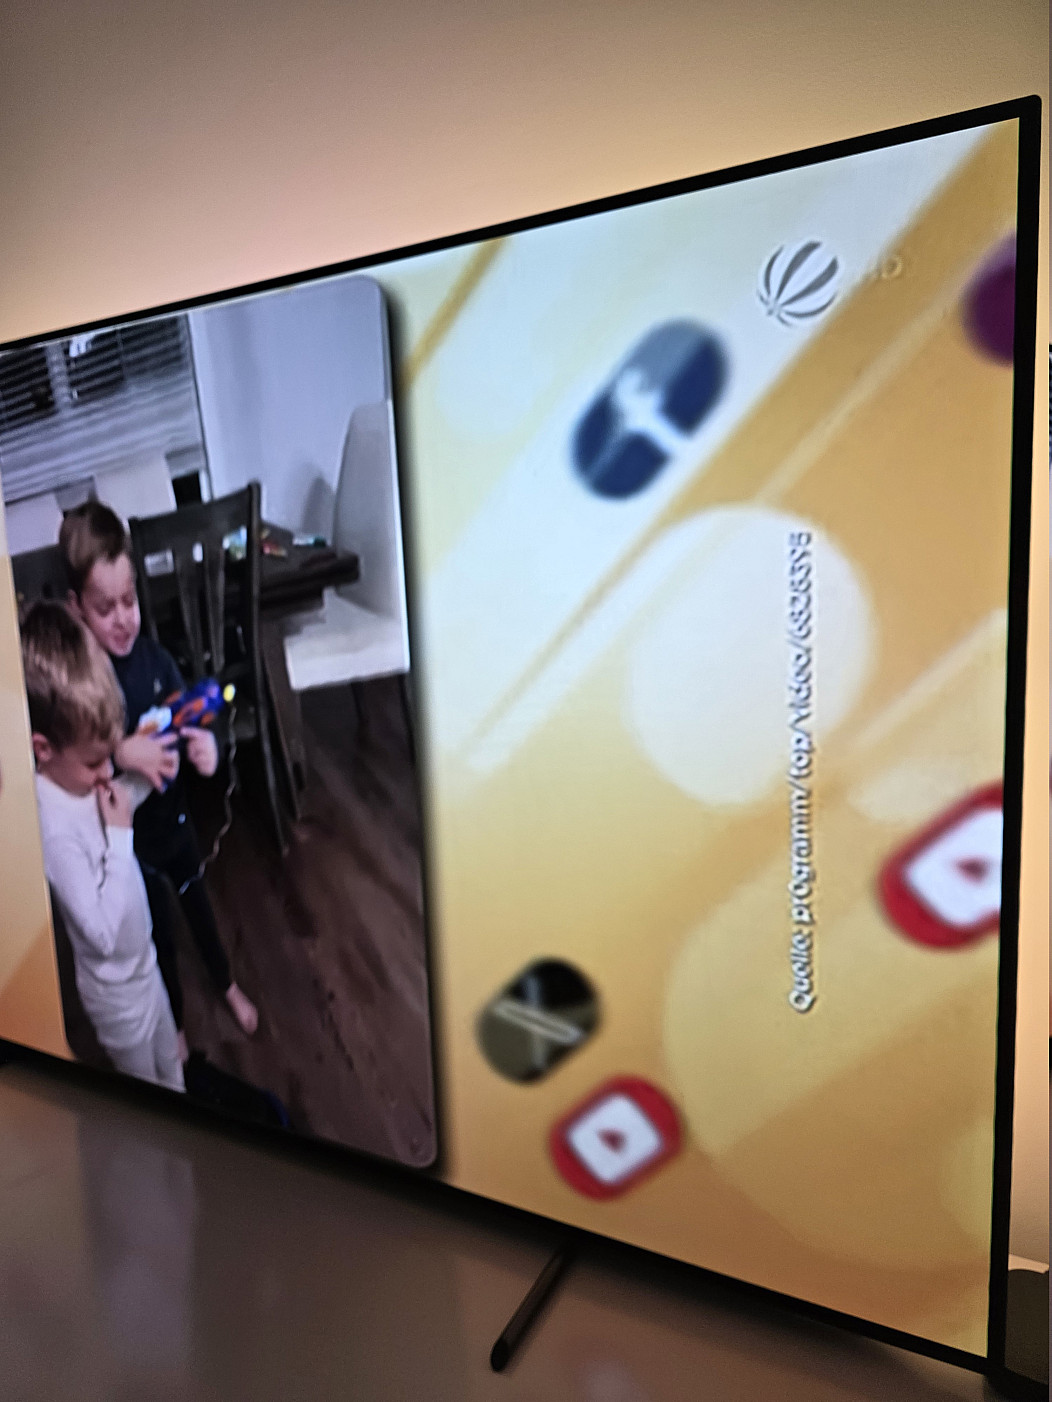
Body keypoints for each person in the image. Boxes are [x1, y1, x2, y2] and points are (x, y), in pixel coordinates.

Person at [59, 501, 259, 1046]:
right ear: (77, 609)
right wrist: (121, 752)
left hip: (176, 826)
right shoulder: (82, 686)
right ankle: (177, 1025)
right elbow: (76, 766)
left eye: (129, 601)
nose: (123, 618)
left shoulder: (157, 659)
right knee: (159, 938)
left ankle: (226, 983)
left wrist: (207, 749)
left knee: (199, 910)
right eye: (105, 608)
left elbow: (195, 717)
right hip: (128, 848)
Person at [22, 602, 184, 1092]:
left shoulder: (78, 776)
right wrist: (118, 837)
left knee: (172, 1070)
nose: (107, 772)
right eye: (95, 762)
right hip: (117, 1001)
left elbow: (114, 798)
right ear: (43, 749)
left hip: (146, 967)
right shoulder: (53, 829)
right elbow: (99, 934)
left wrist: (154, 769)